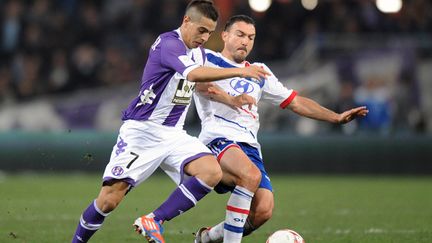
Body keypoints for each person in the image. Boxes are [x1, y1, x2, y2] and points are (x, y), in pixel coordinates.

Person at [71, 2, 269, 243]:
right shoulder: (169, 44)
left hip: (174, 134)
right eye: (201, 30)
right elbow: (193, 74)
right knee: (108, 200)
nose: (205, 38)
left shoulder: (199, 51)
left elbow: (200, 84)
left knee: (211, 171)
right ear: (186, 21)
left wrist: (230, 99)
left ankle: (154, 220)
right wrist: (240, 72)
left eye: (209, 32)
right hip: (143, 130)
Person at [193, 15, 369, 243]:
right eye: (240, 35)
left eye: (251, 37)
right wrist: (232, 97)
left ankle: (207, 238)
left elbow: (295, 101)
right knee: (250, 175)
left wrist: (335, 117)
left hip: (249, 147)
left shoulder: (259, 72)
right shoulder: (207, 60)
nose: (245, 41)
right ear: (225, 35)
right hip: (218, 138)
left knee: (264, 210)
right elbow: (199, 84)